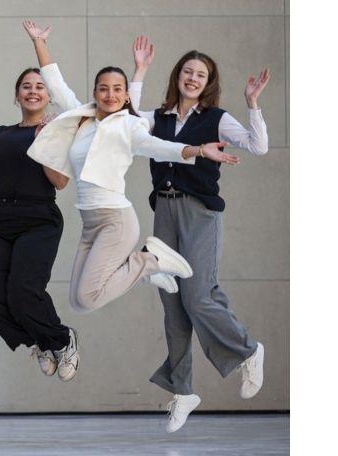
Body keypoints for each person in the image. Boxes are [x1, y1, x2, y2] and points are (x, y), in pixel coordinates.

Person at [20, 21, 240, 350]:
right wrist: (39, 42)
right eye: (103, 89)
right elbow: (55, 81)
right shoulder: (83, 117)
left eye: (117, 89)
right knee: (78, 302)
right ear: (95, 93)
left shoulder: (131, 126)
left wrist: (197, 150)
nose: (110, 95)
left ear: (125, 96)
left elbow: (161, 148)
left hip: (116, 221)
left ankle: (149, 261)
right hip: (90, 222)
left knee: (88, 295)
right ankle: (149, 267)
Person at [127, 36, 271, 433]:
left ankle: (247, 350)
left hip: (200, 213)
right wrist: (139, 70)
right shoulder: (159, 117)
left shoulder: (217, 118)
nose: (192, 78)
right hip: (164, 210)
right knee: (173, 305)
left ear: (208, 83)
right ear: (178, 76)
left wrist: (253, 103)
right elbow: (129, 122)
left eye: (200, 75)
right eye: (187, 72)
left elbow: (258, 146)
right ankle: (182, 391)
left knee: (198, 295)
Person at [0, 68, 78, 383]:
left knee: (23, 292)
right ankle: (39, 341)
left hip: (39, 221)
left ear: (48, 96)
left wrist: (44, 141)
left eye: (40, 87)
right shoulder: (2, 134)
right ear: (17, 95)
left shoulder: (55, 132)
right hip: (2, 222)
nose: (33, 91)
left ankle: (61, 339)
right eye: (26, 86)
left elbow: (60, 182)